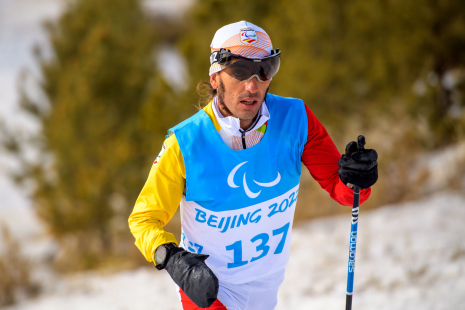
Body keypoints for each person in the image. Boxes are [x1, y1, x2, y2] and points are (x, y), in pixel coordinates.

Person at [128, 20, 378, 310]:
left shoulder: (296, 118)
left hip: (267, 286)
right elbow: (143, 220)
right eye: (239, 71)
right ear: (215, 77)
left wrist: (357, 178)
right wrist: (171, 259)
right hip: (209, 289)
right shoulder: (186, 144)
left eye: (264, 69)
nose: (252, 85)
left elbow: (342, 189)